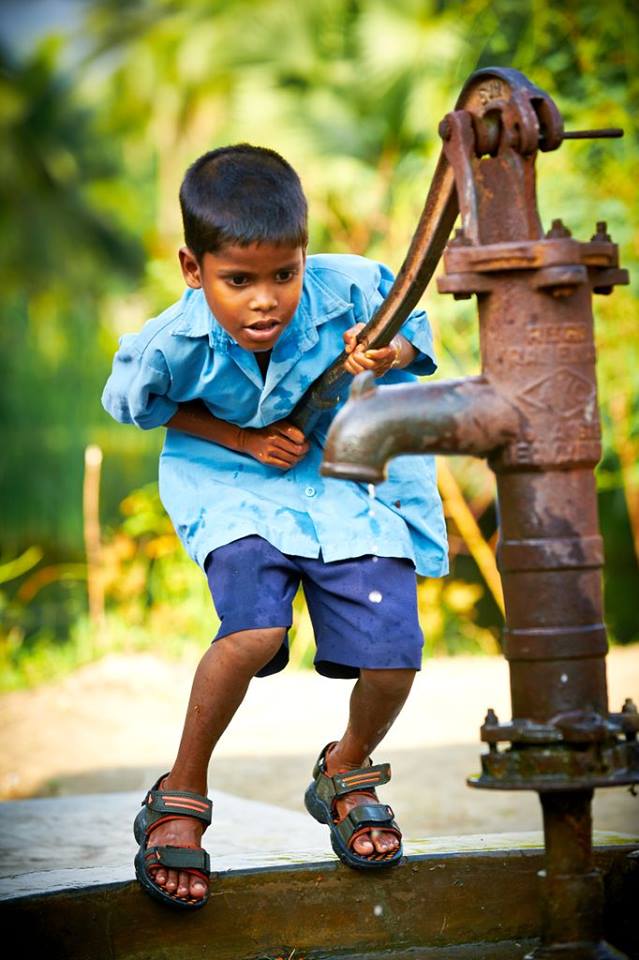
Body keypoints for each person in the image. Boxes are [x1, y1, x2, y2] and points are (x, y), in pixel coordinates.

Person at [102, 143, 448, 910]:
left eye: (283, 276)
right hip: (232, 487)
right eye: (239, 281)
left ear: (304, 254)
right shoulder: (173, 339)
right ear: (193, 269)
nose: (266, 300)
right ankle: (181, 790)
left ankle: (345, 766)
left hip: (341, 486)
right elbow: (138, 404)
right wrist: (242, 439)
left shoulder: (351, 285)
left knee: (394, 655)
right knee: (254, 632)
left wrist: (386, 351)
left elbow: (417, 328)